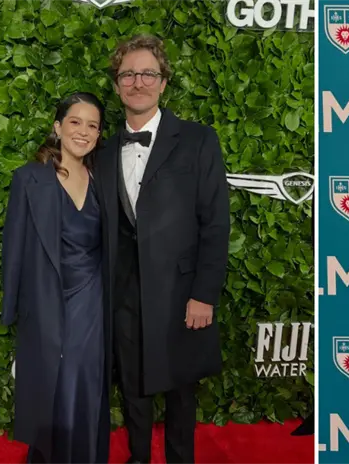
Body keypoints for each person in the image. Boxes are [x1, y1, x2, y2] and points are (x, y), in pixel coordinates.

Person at [93, 34, 230, 464]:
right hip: (124, 296)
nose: (138, 82)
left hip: (181, 293)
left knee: (180, 393)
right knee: (133, 389)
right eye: (128, 74)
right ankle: (138, 458)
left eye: (148, 74)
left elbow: (215, 223)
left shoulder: (198, 140)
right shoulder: (102, 151)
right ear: (117, 84)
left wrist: (204, 294)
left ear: (163, 82)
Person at [1, 92, 110, 464]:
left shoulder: (103, 179)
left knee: (85, 386)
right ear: (57, 127)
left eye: (92, 126)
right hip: (46, 300)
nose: (83, 132)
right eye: (75, 122)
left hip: (92, 302)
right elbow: (14, 248)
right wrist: (13, 311)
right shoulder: (29, 178)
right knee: (52, 388)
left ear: (99, 134)